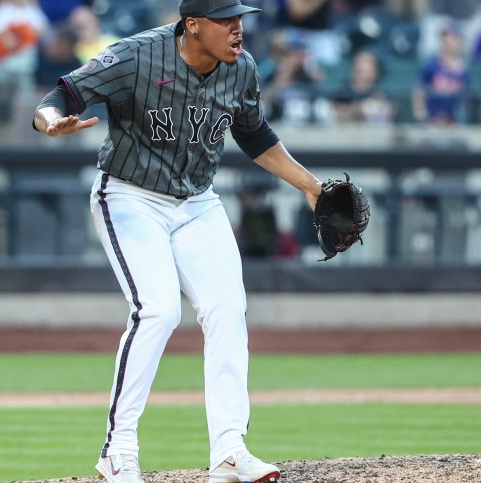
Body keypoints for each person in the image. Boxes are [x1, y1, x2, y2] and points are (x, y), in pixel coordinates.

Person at [32, 0, 327, 481]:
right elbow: (63, 94)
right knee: (158, 309)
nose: (238, 28)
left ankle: (230, 451)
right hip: (129, 196)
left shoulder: (242, 69)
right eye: (227, 20)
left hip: (197, 202)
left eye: (241, 19)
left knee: (227, 308)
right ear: (193, 25)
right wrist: (50, 122)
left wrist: (310, 186)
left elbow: (255, 136)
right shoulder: (137, 56)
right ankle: (118, 450)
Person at [413, 25, 470, 124]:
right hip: (432, 120)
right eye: (445, 38)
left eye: (453, 38)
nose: (448, 41)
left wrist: (461, 118)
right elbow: (419, 91)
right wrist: (421, 114)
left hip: (452, 121)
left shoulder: (464, 69)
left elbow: (466, 97)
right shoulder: (432, 64)